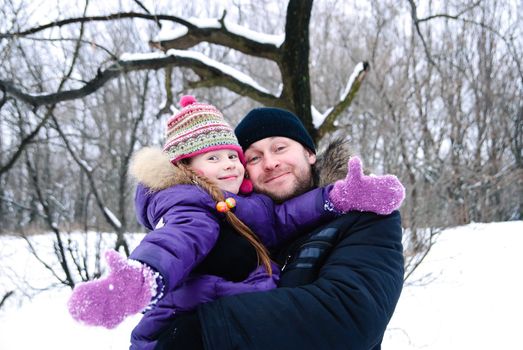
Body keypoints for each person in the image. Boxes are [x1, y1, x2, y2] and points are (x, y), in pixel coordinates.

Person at [67, 97, 404, 350]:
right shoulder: (219, 213)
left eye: (280, 147)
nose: (269, 163)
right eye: (253, 157)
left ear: (310, 153)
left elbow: (347, 316)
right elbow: (176, 241)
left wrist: (203, 330)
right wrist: (141, 280)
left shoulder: (364, 216)